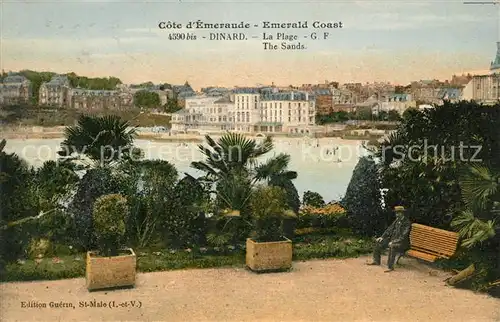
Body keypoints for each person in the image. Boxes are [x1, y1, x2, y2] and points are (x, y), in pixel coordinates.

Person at [367, 206, 411, 272]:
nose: (396, 215)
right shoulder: (396, 221)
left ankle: (390, 267)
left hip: (403, 243)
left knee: (392, 246)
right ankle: (376, 261)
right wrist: (382, 237)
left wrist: (394, 242)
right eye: (396, 213)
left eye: (398, 213)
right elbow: (389, 230)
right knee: (378, 242)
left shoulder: (407, 223)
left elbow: (403, 236)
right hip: (392, 240)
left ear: (402, 213)